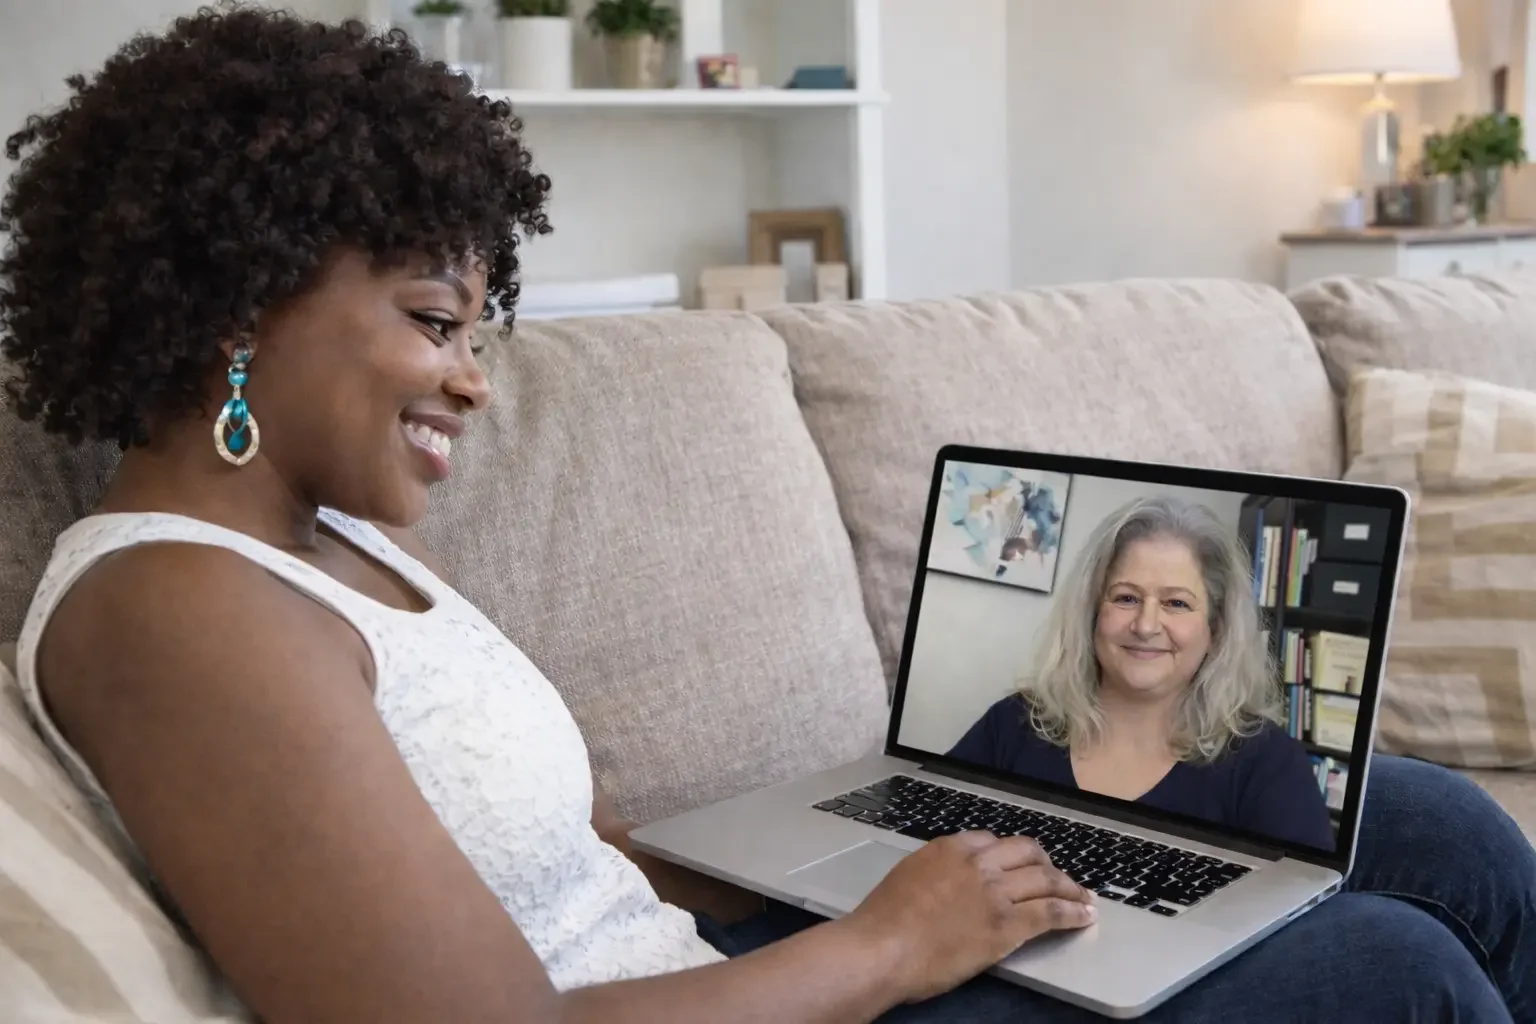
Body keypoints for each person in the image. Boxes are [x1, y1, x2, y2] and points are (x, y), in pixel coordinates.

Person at [0, 8, 1531, 1023]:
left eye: (478, 332)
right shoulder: (173, 609)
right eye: (432, 319)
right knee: (1387, 964)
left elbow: (565, 858)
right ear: (235, 298)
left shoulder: (327, 549)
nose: (471, 383)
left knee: (1431, 826)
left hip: (720, 970)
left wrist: (804, 864)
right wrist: (880, 943)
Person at [948, 496, 1336, 850]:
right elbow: (931, 850)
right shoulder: (1012, 724)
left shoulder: (1268, 762)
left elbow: (1303, 916)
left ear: (1215, 630)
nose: (1146, 625)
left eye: (1177, 603)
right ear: (1092, 613)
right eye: (1127, 598)